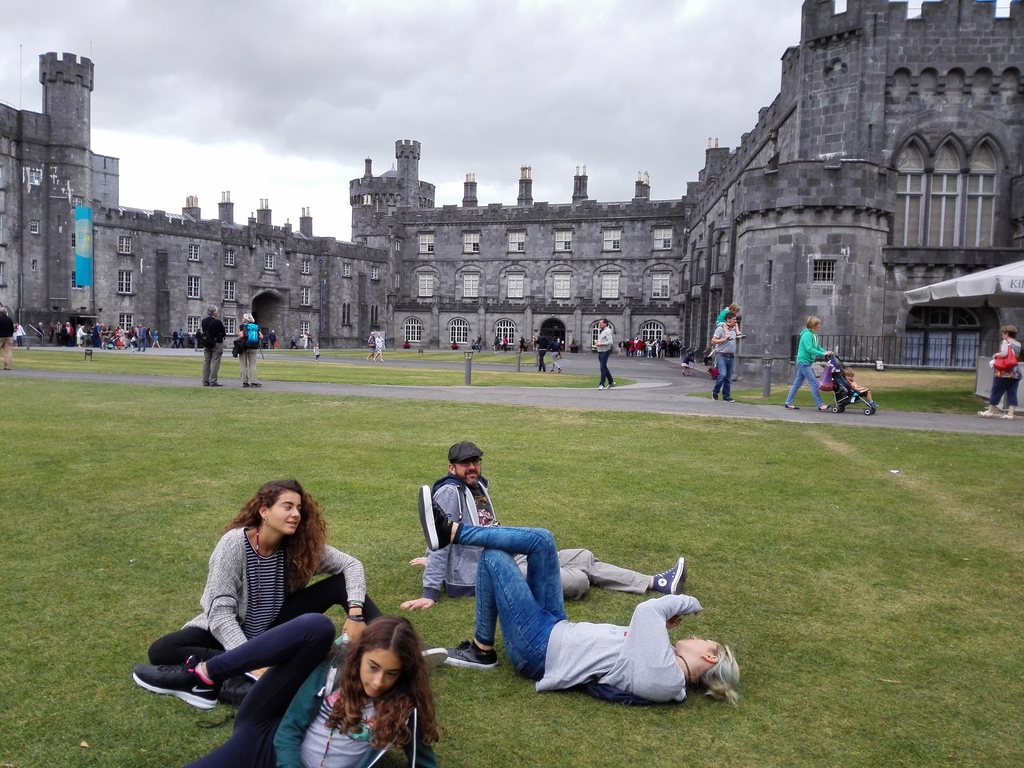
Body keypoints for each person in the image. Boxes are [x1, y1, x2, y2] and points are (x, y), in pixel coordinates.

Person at [418, 503, 739, 706]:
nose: (697, 638)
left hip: (540, 650)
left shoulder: (669, 680)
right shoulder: (666, 658)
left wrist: (687, 602)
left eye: (703, 642)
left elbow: (647, 610)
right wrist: (658, 624)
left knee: (493, 559)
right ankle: (452, 532)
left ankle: (481, 651)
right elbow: (640, 634)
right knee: (542, 540)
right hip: (557, 625)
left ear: (709, 657)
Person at [142, 479, 381, 703]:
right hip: (226, 630)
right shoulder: (234, 544)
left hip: (274, 625)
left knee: (339, 583)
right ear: (264, 511)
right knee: (162, 650)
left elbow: (351, 565)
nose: (296, 514)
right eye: (287, 507)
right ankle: (249, 666)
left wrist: (355, 614)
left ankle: (389, 643)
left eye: (299, 508)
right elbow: (221, 614)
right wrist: (250, 659)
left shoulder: (299, 546)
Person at [401, 443, 687, 624]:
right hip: (496, 569)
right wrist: (431, 590)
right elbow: (440, 540)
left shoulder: (478, 487)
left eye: (476, 461)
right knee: (578, 581)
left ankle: (656, 583)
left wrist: (449, 559)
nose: (473, 466)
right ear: (452, 468)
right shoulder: (450, 491)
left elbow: (468, 535)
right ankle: (593, 579)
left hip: (513, 553)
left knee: (583, 556)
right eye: (466, 463)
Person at [133, 613, 440, 767]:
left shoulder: (404, 707)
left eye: (391, 674)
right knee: (317, 626)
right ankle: (204, 675)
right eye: (373, 668)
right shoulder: (332, 671)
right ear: (359, 658)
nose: (378, 682)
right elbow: (290, 728)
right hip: (265, 737)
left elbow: (421, 760)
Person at [783, 316, 832, 411]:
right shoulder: (807, 335)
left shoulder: (814, 335)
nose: (819, 326)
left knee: (797, 383)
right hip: (803, 362)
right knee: (814, 382)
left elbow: (817, 347)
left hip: (807, 362)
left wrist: (826, 351)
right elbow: (809, 349)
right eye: (818, 324)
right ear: (813, 325)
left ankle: (788, 402)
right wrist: (823, 353)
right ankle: (820, 405)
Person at [979, 325, 1021, 420]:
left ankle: (990, 411)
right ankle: (1011, 413)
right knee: (1012, 392)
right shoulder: (1018, 344)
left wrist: (996, 355)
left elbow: (1004, 354)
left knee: (996, 390)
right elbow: (1015, 357)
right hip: (1015, 372)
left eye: (1003, 334)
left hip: (1004, 372)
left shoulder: (1006, 342)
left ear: (1007, 334)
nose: (1002, 336)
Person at [710, 313, 739, 402]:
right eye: (734, 319)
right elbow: (713, 341)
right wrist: (724, 339)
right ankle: (715, 392)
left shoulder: (734, 330)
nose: (735, 321)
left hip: (731, 356)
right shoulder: (720, 329)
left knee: (728, 378)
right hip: (721, 355)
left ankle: (726, 396)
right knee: (722, 375)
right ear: (728, 320)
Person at [200, 305, 227, 387]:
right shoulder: (218, 322)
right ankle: (213, 380)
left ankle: (205, 380)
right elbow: (223, 333)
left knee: (206, 361)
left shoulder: (203, 321)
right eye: (216, 311)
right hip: (216, 343)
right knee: (215, 362)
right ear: (214, 313)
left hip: (207, 342)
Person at [239, 312, 262, 387]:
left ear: (246, 319)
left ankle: (245, 382)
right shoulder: (255, 326)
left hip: (244, 347)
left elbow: (241, 335)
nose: (242, 319)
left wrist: (239, 333)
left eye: (243, 318)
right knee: (252, 365)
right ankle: (254, 382)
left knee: (243, 365)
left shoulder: (242, 326)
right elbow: (261, 337)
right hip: (253, 347)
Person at [594, 318, 615, 390]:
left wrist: (600, 344)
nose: (600, 324)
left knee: (602, 367)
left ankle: (601, 383)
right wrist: (597, 342)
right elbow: (603, 340)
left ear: (605, 324)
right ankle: (611, 382)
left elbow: (610, 342)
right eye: (600, 323)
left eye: (601, 323)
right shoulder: (602, 331)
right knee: (604, 367)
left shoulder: (608, 331)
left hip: (605, 351)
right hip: (600, 351)